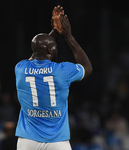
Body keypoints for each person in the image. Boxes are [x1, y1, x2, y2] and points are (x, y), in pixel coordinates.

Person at [14, 5, 92, 150]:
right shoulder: (62, 70)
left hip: (27, 140)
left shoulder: (20, 68)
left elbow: (36, 53)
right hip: (57, 141)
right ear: (51, 50)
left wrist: (54, 33)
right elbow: (87, 67)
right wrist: (68, 36)